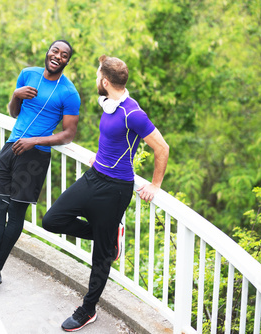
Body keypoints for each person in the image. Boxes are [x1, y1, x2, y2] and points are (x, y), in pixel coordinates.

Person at [42, 55, 169, 332]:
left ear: (105, 81)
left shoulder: (133, 113)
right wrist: (99, 156)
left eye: (97, 74)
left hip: (115, 189)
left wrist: (155, 185)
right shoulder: (111, 105)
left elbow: (162, 148)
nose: (95, 79)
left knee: (100, 257)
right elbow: (115, 140)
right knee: (51, 220)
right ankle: (109, 236)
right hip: (94, 176)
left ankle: (87, 310)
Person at [0, 40, 81, 288]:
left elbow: (68, 134)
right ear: (48, 53)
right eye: (55, 51)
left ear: (66, 62)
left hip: (35, 155)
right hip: (11, 146)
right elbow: (13, 112)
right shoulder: (27, 75)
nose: (57, 56)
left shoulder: (69, 93)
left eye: (64, 55)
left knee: (16, 213)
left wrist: (35, 141)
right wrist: (15, 95)